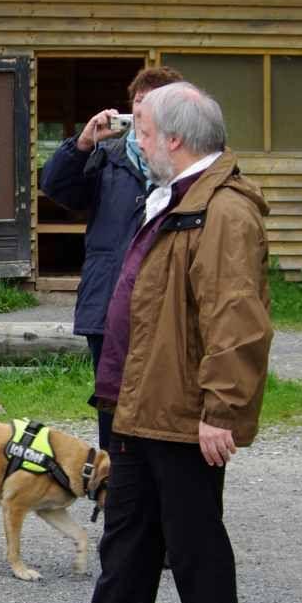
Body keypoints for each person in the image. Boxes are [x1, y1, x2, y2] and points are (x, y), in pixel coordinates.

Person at [30, 82, 273, 603]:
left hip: (181, 407)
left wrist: (221, 410)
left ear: (174, 139)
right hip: (137, 401)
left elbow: (237, 319)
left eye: (141, 133)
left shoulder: (224, 210)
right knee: (127, 536)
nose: (134, 143)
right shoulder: (175, 196)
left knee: (193, 540)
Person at [39, 66, 182, 453]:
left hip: (166, 304)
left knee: (165, 403)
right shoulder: (108, 154)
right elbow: (56, 187)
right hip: (109, 300)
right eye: (138, 103)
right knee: (113, 407)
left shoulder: (185, 164)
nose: (142, 112)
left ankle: (160, 481)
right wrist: (83, 142)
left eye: (153, 104)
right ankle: (116, 484)